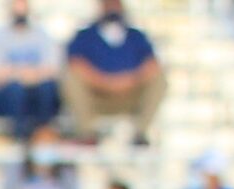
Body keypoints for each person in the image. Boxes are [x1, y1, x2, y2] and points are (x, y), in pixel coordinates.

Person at [66, 0, 162, 146]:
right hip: (95, 97)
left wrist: (129, 80)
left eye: (115, 3)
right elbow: (75, 64)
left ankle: (140, 133)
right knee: (69, 77)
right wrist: (105, 82)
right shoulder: (85, 36)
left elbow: (152, 64)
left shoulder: (136, 36)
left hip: (130, 96)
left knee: (159, 78)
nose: (112, 7)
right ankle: (87, 133)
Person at [0, 0, 61, 139]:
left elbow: (52, 69)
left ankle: (43, 136)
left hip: (36, 90)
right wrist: (25, 74)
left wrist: (21, 74)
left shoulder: (42, 34)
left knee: (47, 89)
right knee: (15, 90)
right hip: (10, 94)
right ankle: (19, 138)